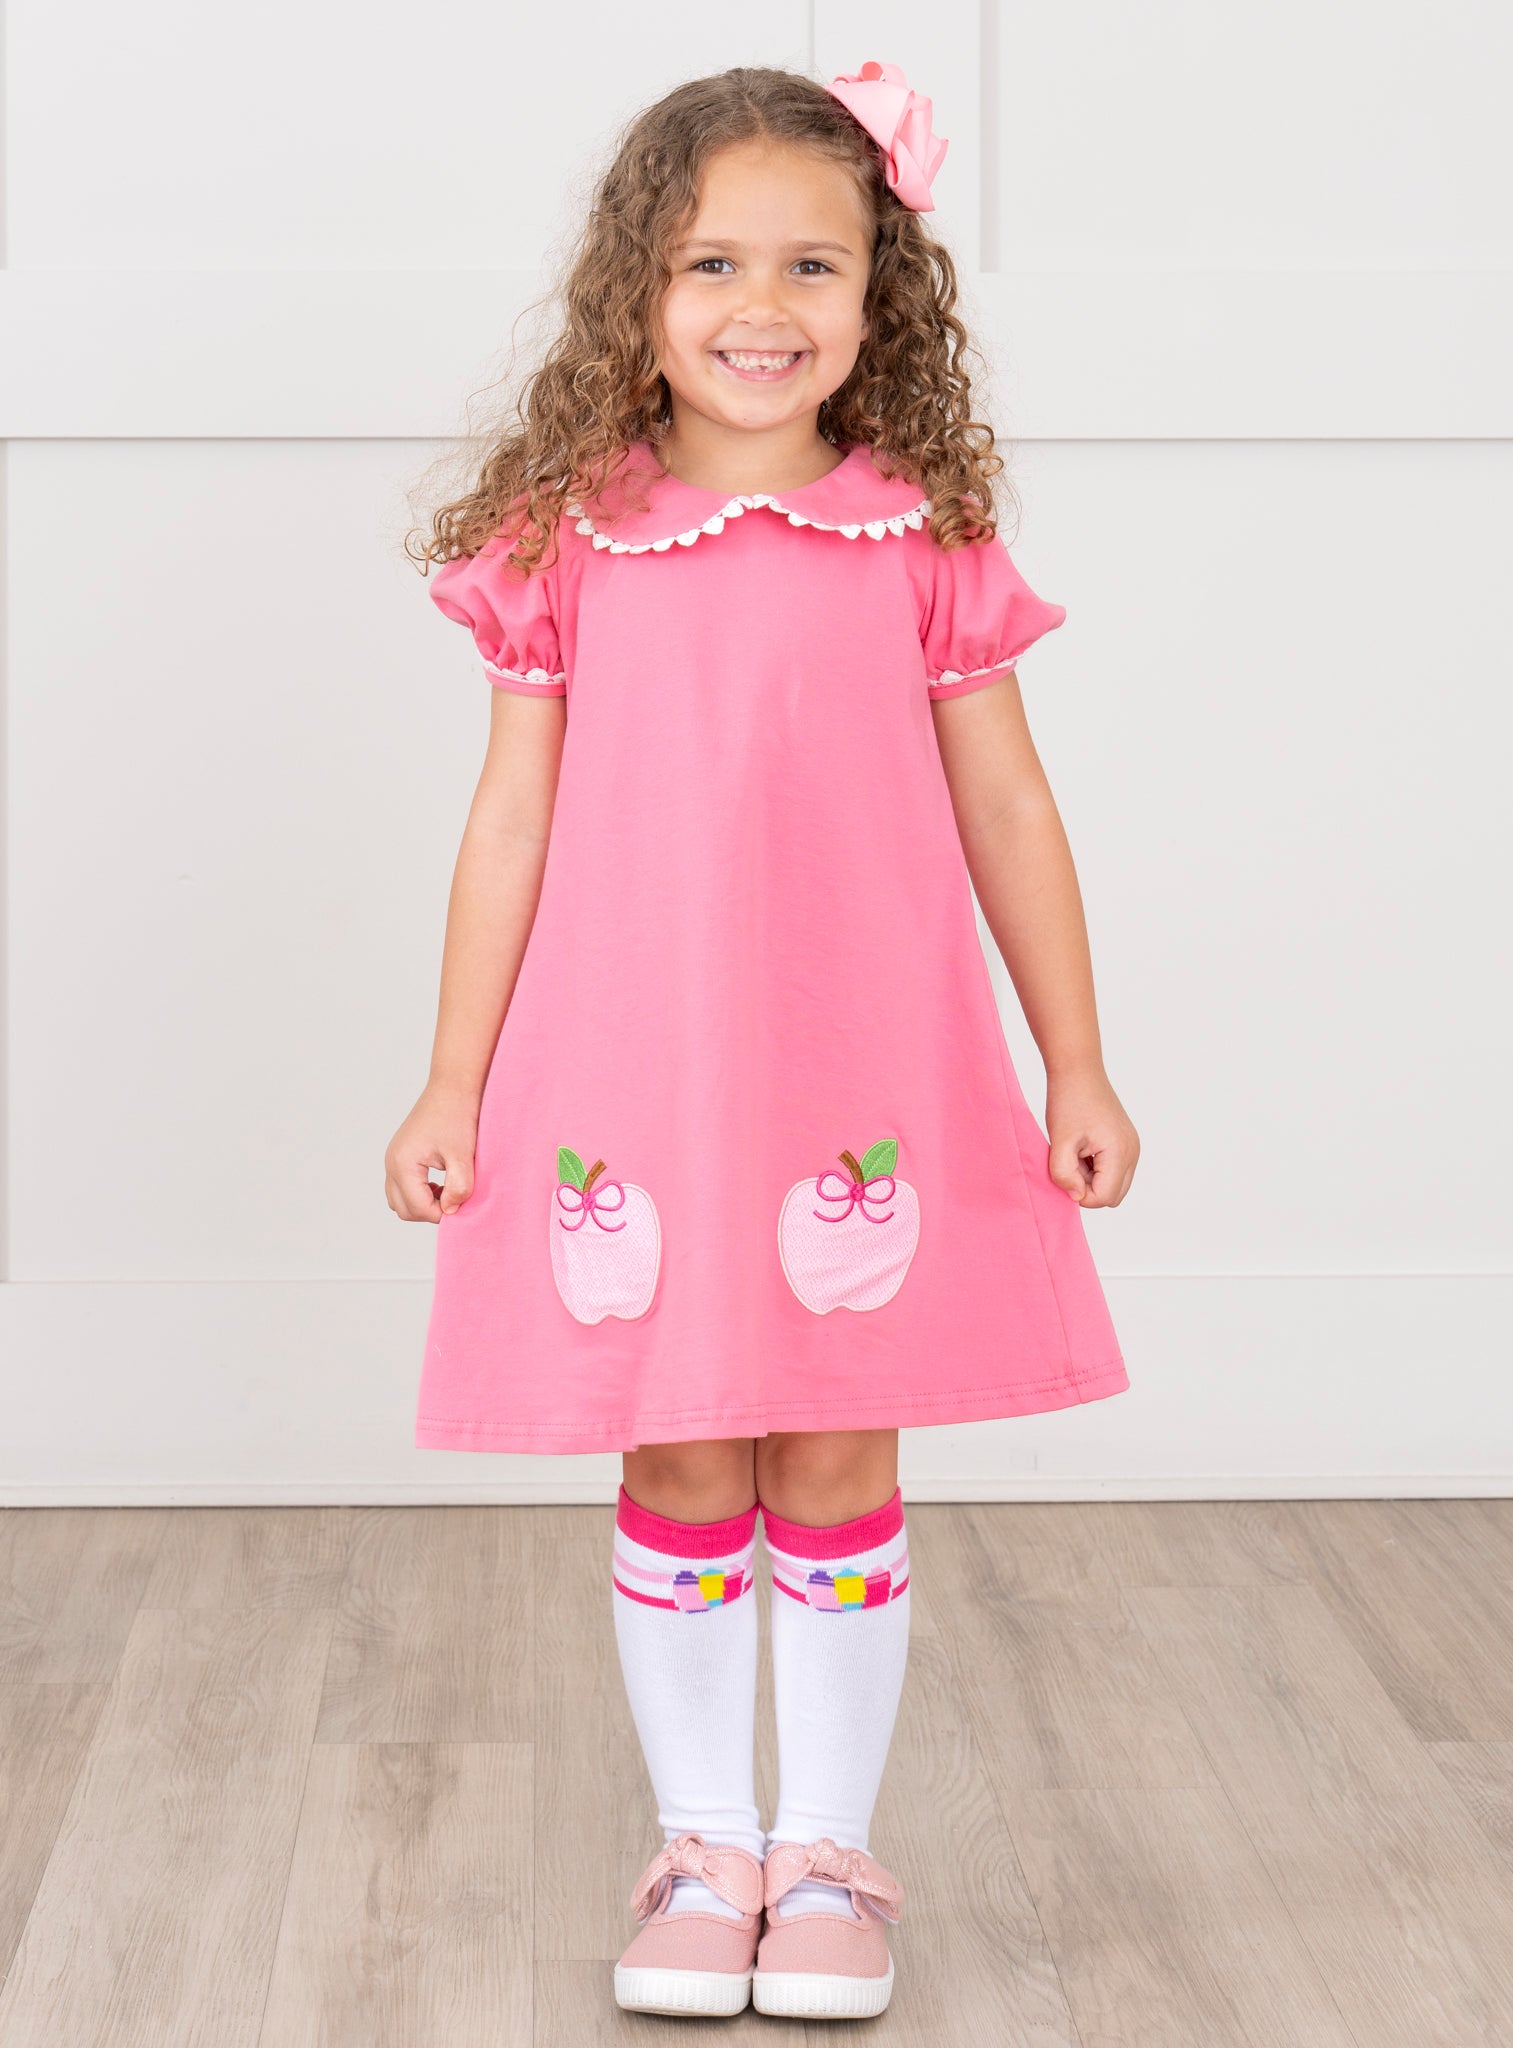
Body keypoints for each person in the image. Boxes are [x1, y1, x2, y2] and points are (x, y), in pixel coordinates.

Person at [387, 58, 1138, 2023]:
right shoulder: (574, 536)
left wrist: (1073, 1057)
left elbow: (1009, 807)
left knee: (835, 1433)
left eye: (814, 264)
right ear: (636, 289)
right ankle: (704, 1839)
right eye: (713, 261)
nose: (762, 305)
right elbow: (511, 822)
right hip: (631, 1076)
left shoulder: (922, 532)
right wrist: (454, 1078)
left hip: (857, 1078)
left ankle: (824, 1858)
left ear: (883, 294)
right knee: (679, 1434)